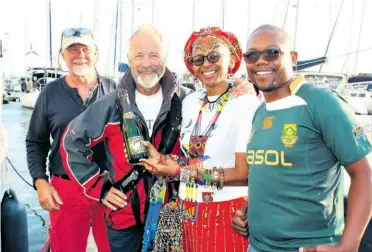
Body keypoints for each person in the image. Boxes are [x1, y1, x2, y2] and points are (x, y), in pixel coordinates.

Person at [232, 24, 372, 252]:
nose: (260, 61)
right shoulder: (261, 111)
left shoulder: (320, 102)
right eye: (252, 55)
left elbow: (363, 174)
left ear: (293, 58)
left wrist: (348, 245)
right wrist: (250, 212)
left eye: (272, 52)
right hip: (257, 246)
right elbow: (275, 173)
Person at [139, 26, 260, 252]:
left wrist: (179, 172)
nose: (206, 64)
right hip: (188, 211)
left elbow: (244, 173)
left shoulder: (246, 104)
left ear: (231, 58)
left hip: (227, 212)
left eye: (214, 56)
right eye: (198, 58)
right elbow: (193, 157)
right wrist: (165, 161)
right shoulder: (190, 101)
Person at [26, 27, 116, 252]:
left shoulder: (115, 91)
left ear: (96, 53)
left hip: (107, 186)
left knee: (113, 247)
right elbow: (36, 142)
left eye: (85, 49)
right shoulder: (50, 93)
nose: (80, 55)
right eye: (72, 50)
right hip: (64, 189)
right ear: (62, 55)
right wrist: (40, 182)